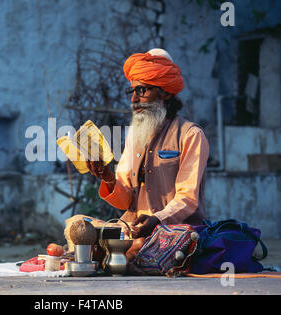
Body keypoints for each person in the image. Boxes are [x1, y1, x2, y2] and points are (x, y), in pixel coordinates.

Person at [64, 48, 209, 262]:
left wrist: (156, 219)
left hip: (172, 232)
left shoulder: (191, 135)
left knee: (146, 244)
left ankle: (103, 256)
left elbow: (187, 200)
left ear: (166, 93)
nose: (134, 99)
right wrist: (108, 178)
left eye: (141, 90)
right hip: (133, 230)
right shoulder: (135, 135)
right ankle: (111, 254)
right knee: (75, 223)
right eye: (132, 91)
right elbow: (126, 201)